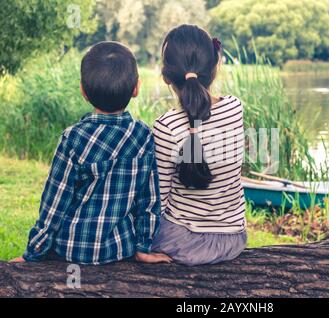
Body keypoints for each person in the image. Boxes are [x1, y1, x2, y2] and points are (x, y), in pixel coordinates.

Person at [10, 41, 171, 265]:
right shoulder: (143, 135)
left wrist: (33, 253)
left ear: (83, 91)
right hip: (118, 249)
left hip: (70, 250)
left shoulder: (73, 138)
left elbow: (54, 205)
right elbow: (149, 200)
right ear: (136, 88)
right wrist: (143, 247)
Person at [152, 24, 247, 266]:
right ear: (215, 68)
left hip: (182, 242)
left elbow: (158, 200)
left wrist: (141, 246)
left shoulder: (166, 126)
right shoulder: (235, 107)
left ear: (166, 77)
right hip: (233, 240)